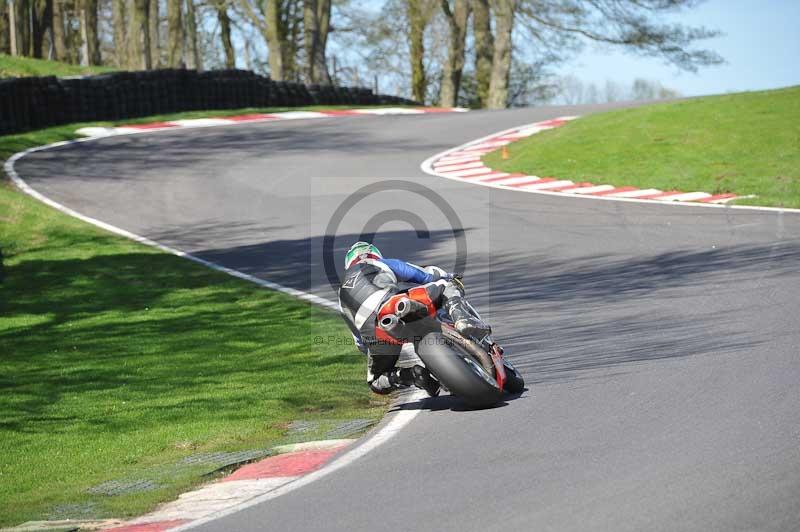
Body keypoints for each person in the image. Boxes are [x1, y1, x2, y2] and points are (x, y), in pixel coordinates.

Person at [338, 241, 491, 396]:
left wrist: (375, 348)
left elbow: (359, 342)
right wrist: (448, 276)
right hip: (392, 303)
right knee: (445, 285)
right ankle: (462, 318)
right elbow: (425, 275)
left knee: (376, 382)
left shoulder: (341, 293)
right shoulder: (380, 263)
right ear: (375, 255)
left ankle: (411, 376)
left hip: (374, 330)